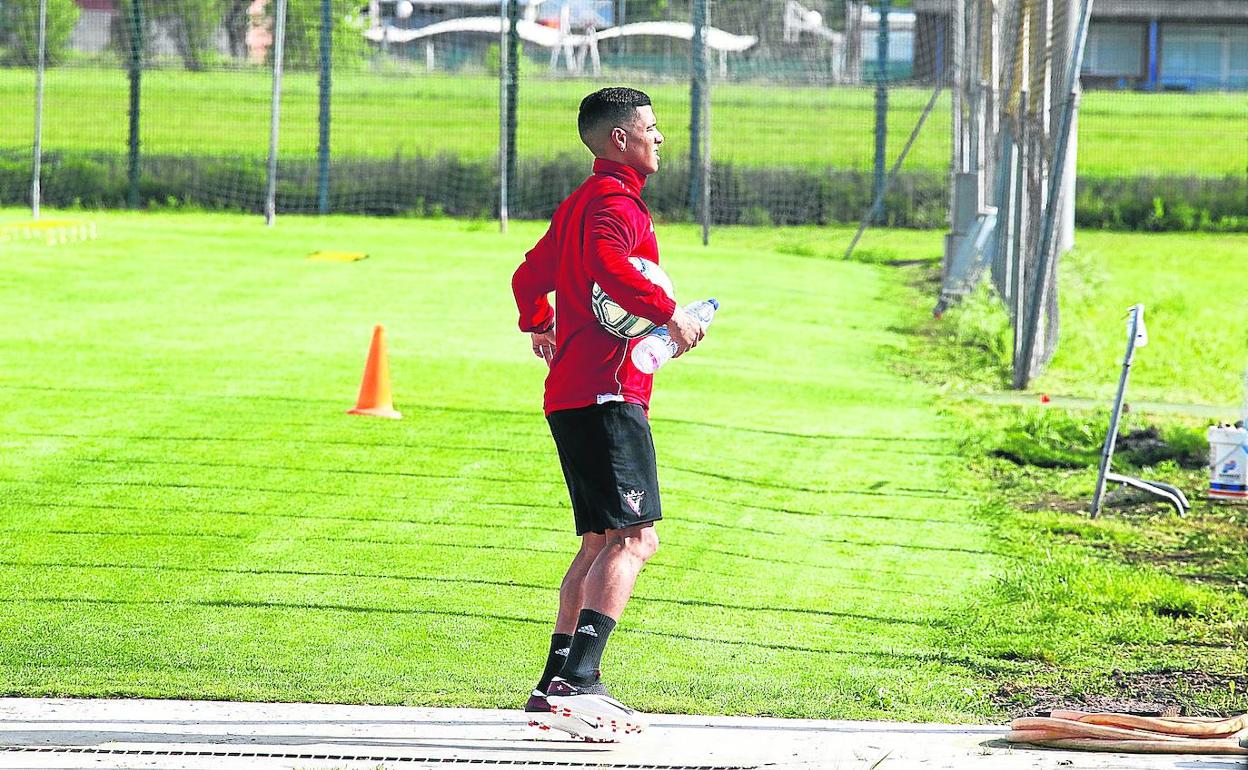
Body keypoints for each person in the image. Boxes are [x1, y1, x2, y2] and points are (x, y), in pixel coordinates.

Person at [510, 87, 704, 741]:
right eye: (651, 128)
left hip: (573, 395)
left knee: (599, 542)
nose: (660, 138)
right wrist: (668, 311)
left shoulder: (577, 205)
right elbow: (608, 267)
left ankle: (551, 685)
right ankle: (581, 683)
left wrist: (539, 321)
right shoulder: (612, 204)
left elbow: (525, 277)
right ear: (619, 138)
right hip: (606, 395)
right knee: (634, 540)